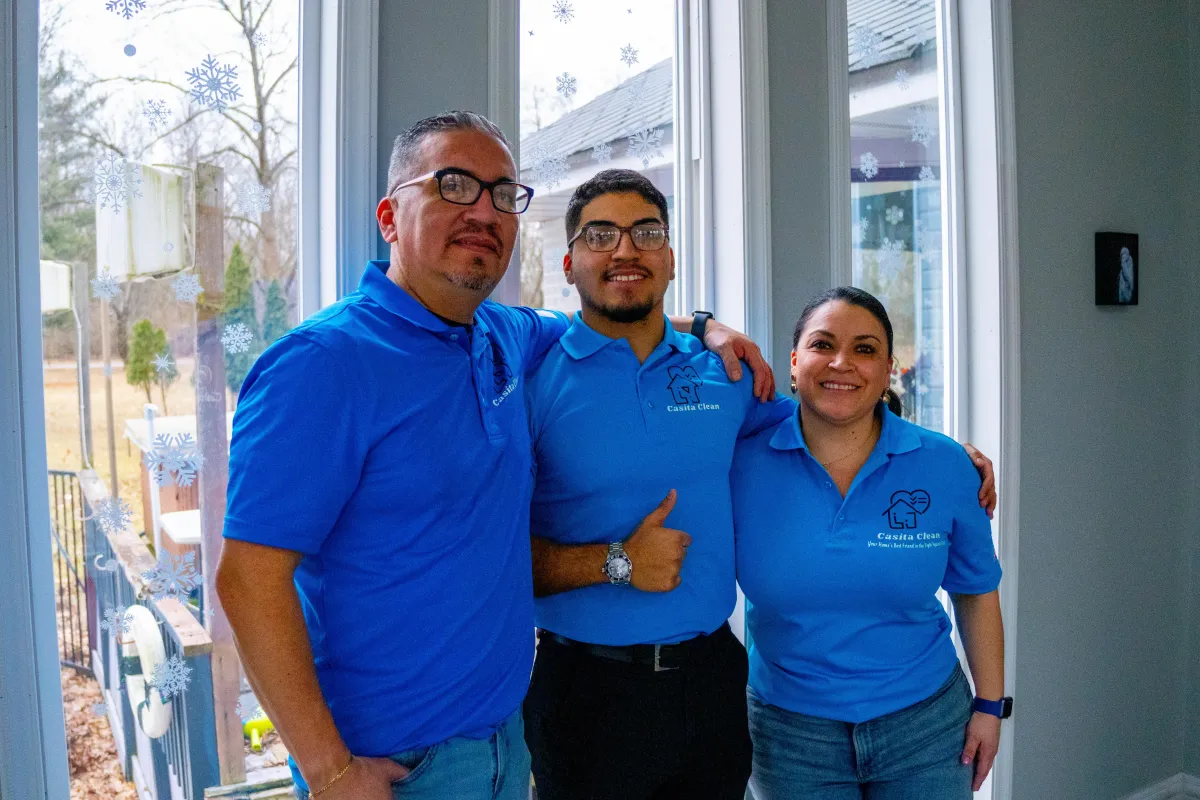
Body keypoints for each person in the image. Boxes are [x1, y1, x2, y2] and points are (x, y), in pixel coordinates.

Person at [214, 113, 770, 800]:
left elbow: (604, 318)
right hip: (395, 767)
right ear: (390, 216)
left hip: (505, 742)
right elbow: (248, 580)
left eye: (503, 194)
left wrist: (707, 326)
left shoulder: (502, 337)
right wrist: (329, 772)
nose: (484, 210)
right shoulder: (324, 365)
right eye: (454, 185)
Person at [521, 172, 998, 799]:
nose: (624, 250)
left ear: (669, 259)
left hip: (712, 678)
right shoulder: (530, 378)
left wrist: (945, 456)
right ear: (569, 261)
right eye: (600, 235)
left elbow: (835, 412)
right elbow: (488, 552)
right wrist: (618, 562)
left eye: (647, 233)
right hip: (586, 685)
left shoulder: (728, 379)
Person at [731, 286, 1010, 799]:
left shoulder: (944, 464)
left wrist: (990, 707)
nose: (842, 362)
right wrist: (708, 325)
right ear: (794, 364)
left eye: (864, 349)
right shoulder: (739, 460)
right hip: (789, 734)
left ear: (887, 371)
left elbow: (975, 590)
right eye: (822, 345)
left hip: (926, 726)